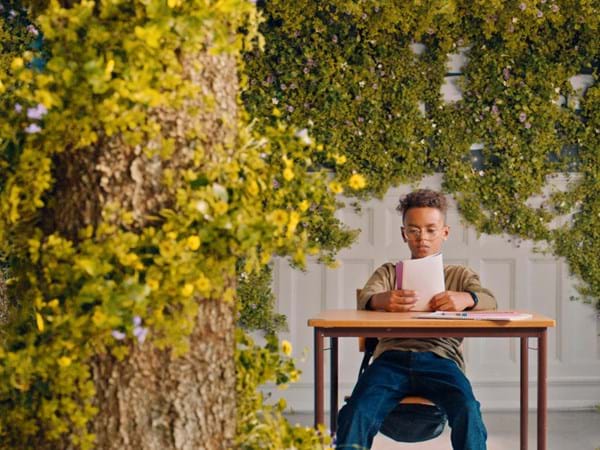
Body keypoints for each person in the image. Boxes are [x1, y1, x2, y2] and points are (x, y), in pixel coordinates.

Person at [336, 189, 497, 450]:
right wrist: (381, 300)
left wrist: (467, 298)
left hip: (441, 361)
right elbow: (366, 296)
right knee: (357, 409)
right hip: (391, 360)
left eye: (431, 230)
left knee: (468, 408)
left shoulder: (458, 275)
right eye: (414, 230)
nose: (422, 238)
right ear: (404, 234)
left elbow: (488, 298)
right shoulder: (390, 272)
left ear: (445, 233)